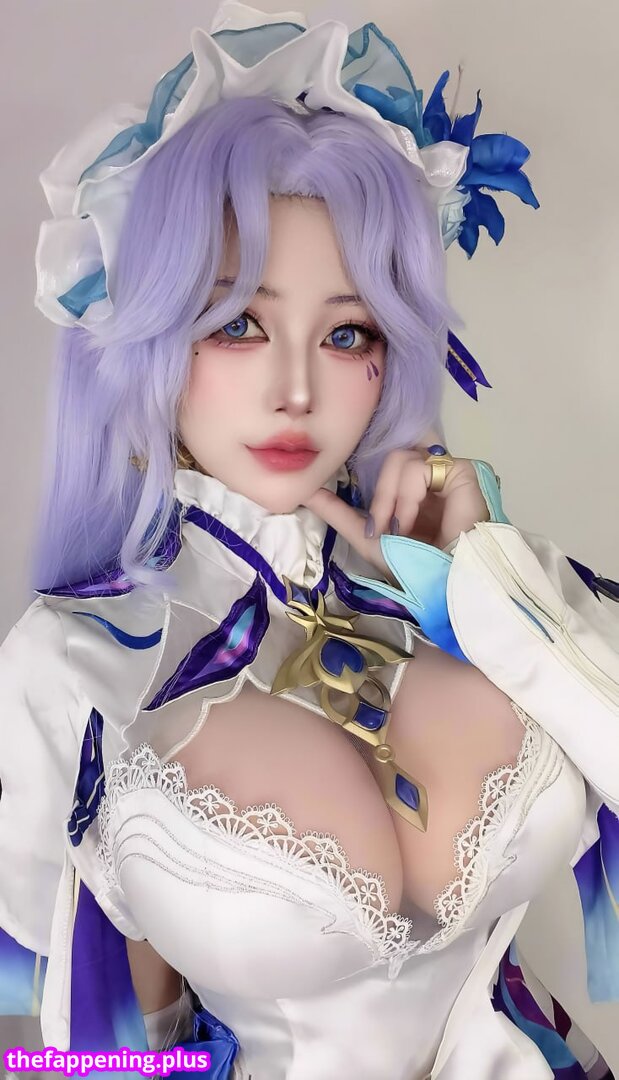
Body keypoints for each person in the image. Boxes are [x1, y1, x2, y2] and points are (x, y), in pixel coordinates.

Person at [1, 4, 617, 1078]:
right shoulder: (75, 657)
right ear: (147, 337)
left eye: (345, 332)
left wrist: (490, 592)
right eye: (236, 322)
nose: (295, 388)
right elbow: (66, 1051)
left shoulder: (465, 583)